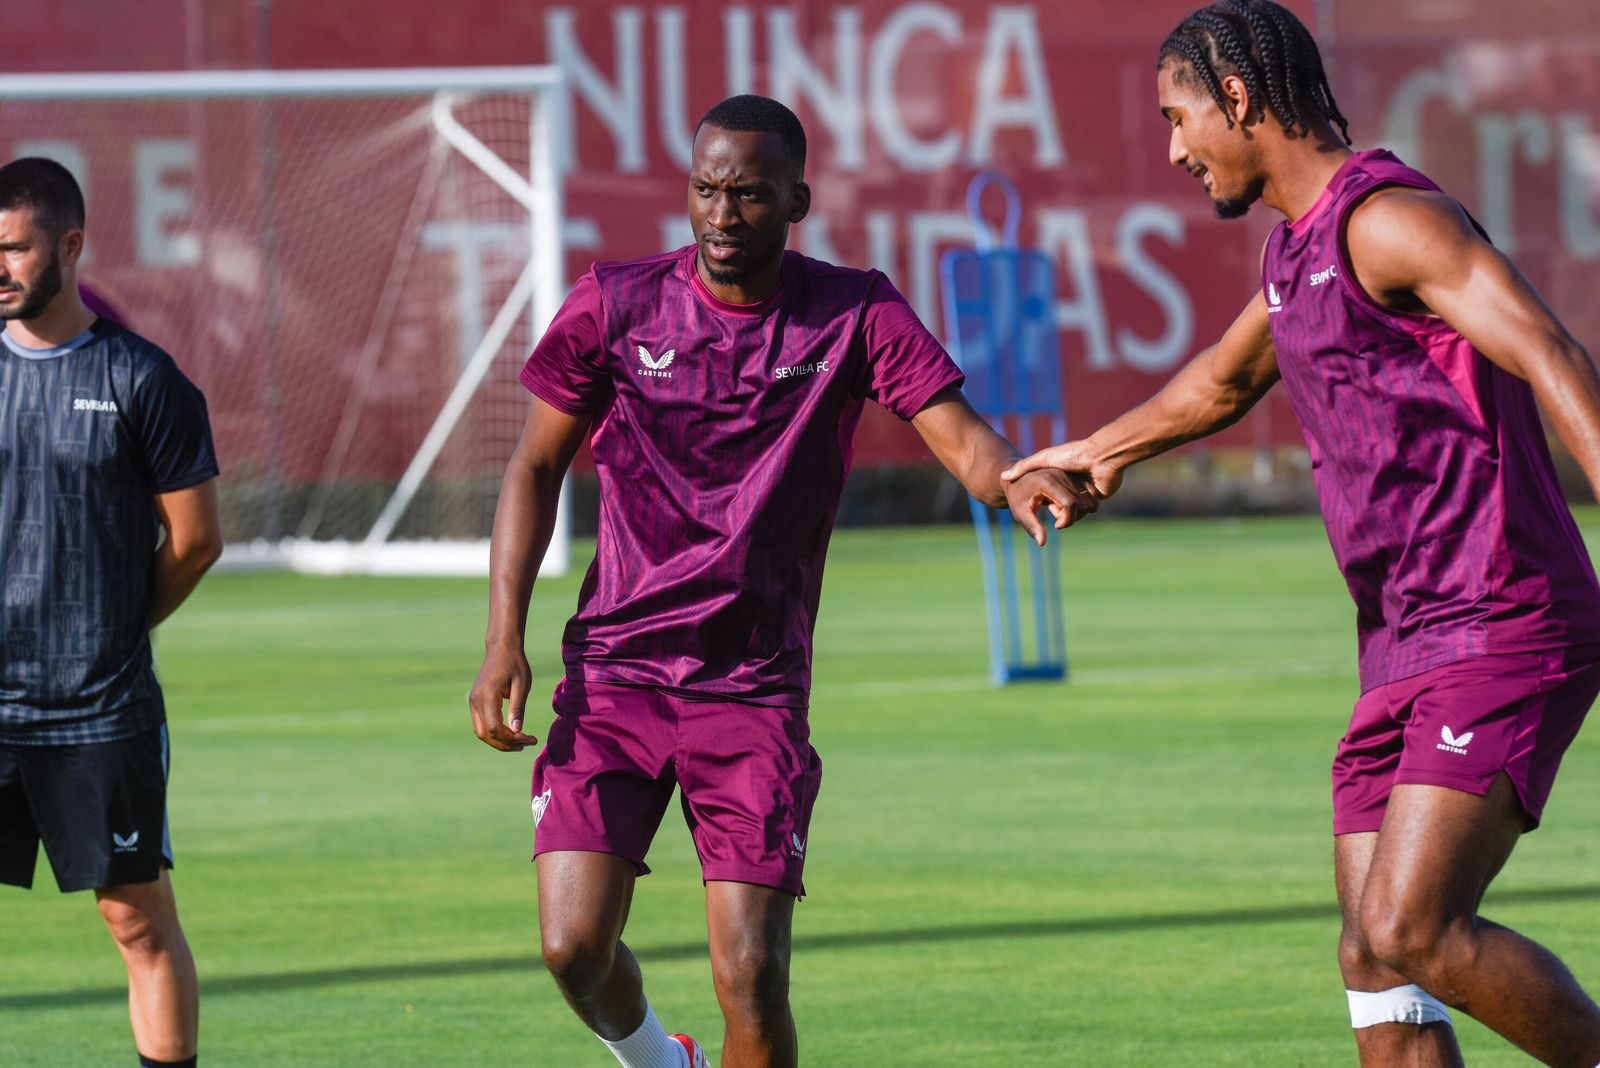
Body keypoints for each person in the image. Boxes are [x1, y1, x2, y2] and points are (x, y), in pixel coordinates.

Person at [1003, 2, 1600, 1065]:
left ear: (1236, 98)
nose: (1176, 150)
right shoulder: (1295, 253)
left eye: (1178, 118)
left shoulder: (1387, 220)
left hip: (1501, 620)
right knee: (1374, 956)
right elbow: (1223, 383)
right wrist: (1097, 453)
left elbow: (1551, 353)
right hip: (1400, 647)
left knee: (1415, 927)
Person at [468, 95, 1091, 1068]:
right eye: (706, 191)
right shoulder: (616, 304)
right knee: (571, 946)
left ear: (795, 199)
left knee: (751, 974)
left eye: (749, 195)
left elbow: (963, 439)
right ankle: (658, 1060)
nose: (722, 215)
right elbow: (533, 468)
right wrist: (504, 636)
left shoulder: (854, 312)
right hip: (616, 679)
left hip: (750, 691)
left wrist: (1019, 481)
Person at [0, 157, 222, 1068]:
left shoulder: (143, 378)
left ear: (71, 246)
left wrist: (115, 627)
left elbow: (196, 538)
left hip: (102, 711)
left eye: (14, 249)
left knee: (135, 921)